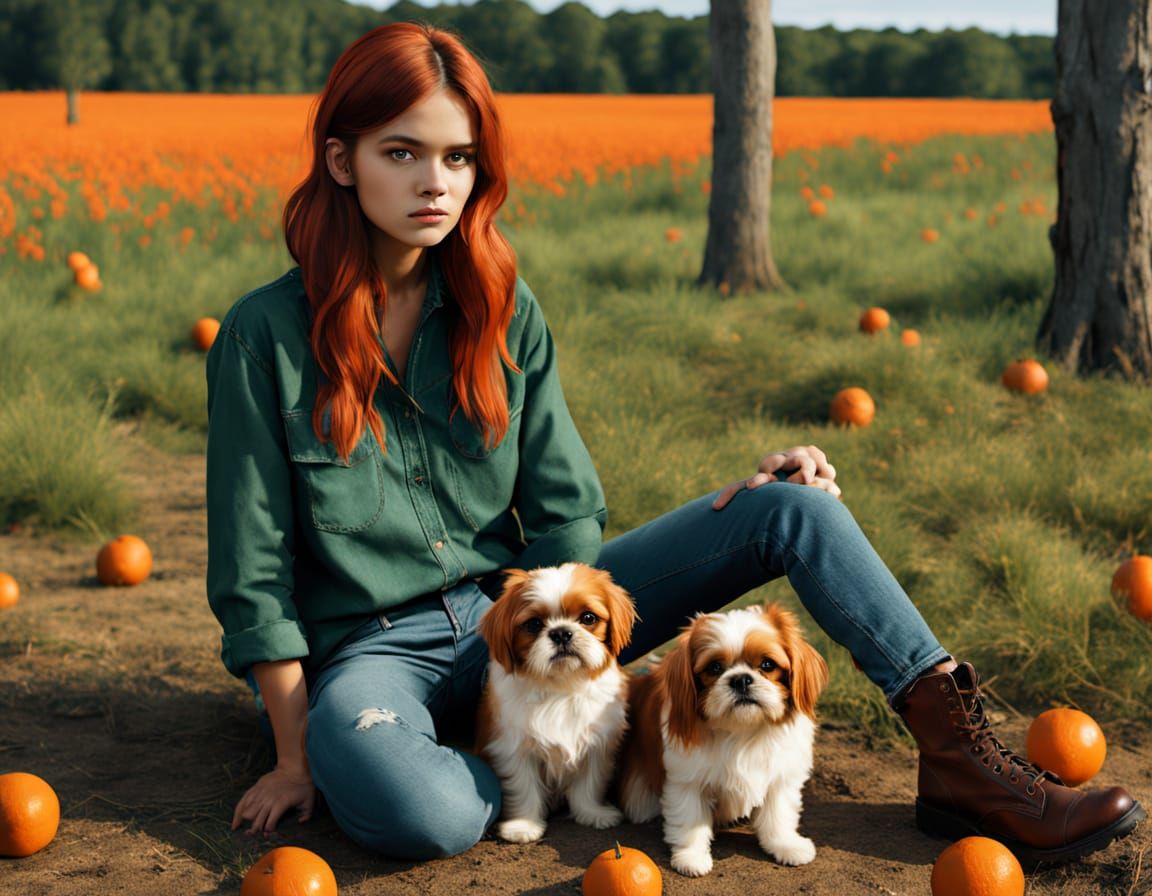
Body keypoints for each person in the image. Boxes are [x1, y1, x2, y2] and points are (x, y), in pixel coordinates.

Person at [205, 22, 1145, 867]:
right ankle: (477, 753)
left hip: (532, 608)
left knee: (790, 505)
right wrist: (297, 756)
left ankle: (959, 765)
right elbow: (255, 577)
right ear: (341, 159)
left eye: (457, 157)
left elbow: (566, 513)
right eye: (401, 152)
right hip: (378, 657)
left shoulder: (501, 308)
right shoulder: (264, 339)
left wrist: (595, 613)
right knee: (429, 815)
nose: (434, 183)